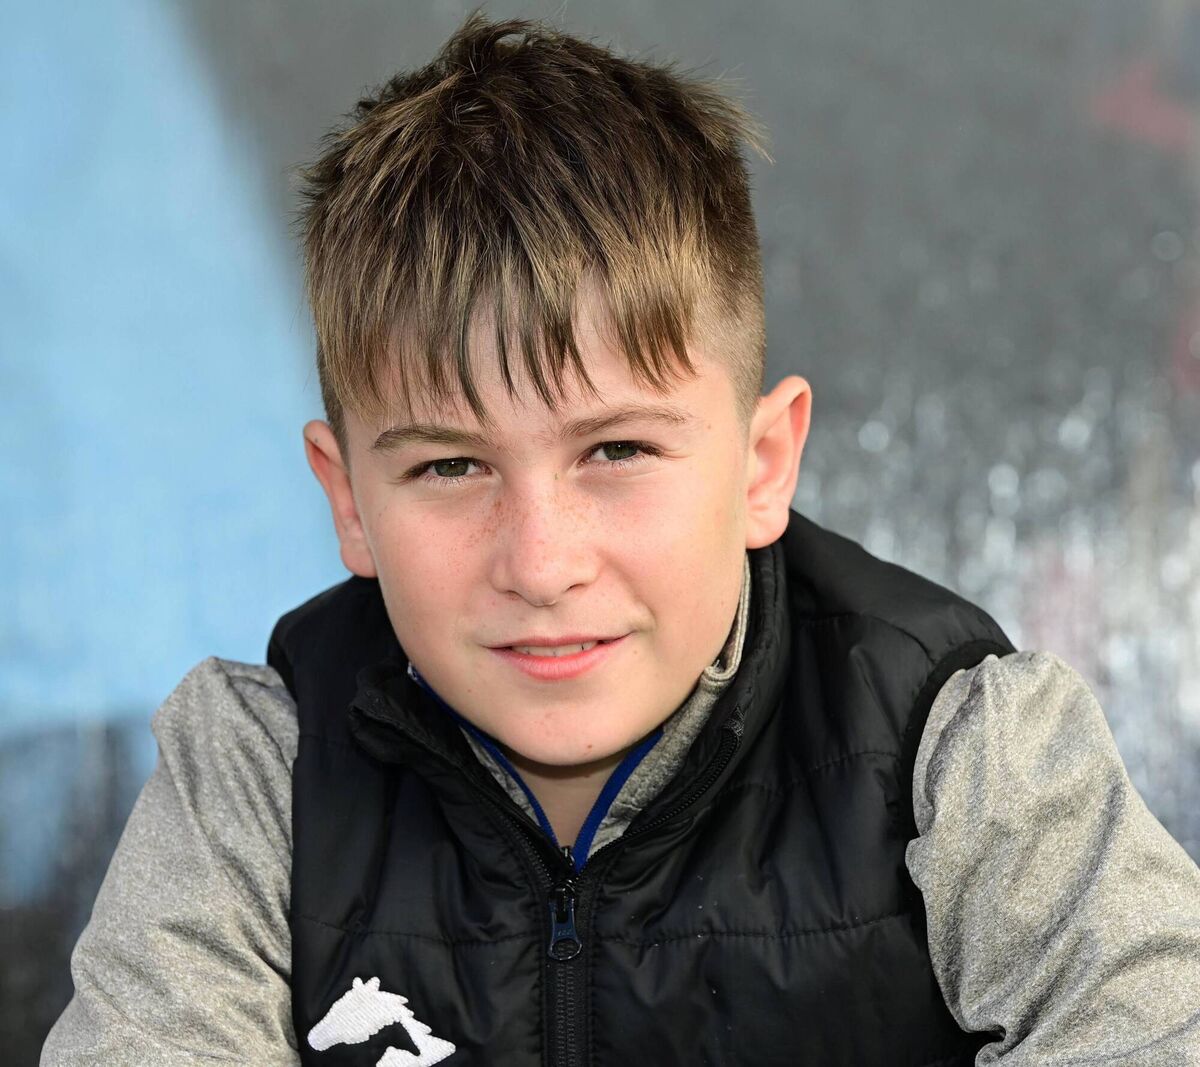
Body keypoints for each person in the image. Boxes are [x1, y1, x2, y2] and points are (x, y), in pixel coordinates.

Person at [42, 11, 1200, 1066]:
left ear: (762, 466)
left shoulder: (964, 746)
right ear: (348, 500)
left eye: (618, 452)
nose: (542, 562)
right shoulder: (263, 769)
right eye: (450, 465)